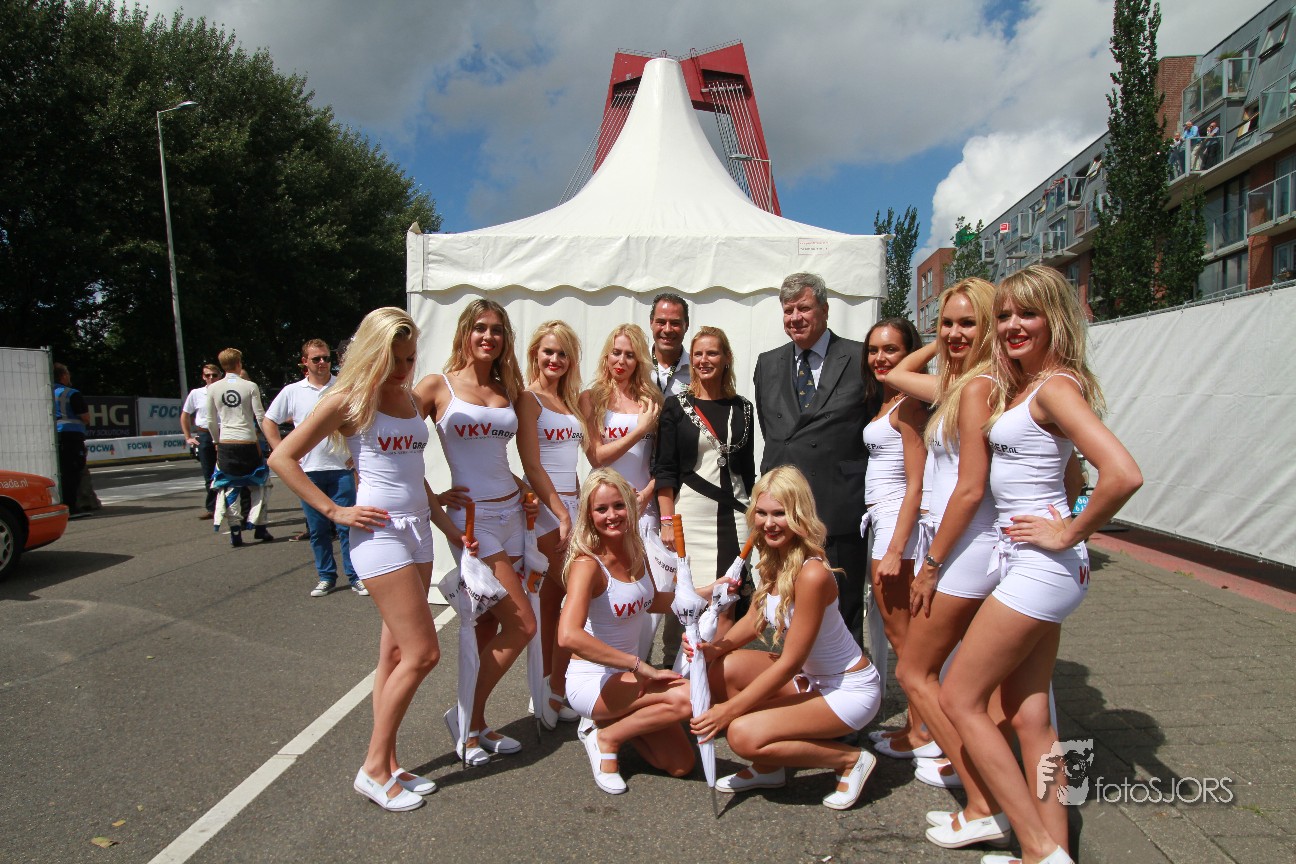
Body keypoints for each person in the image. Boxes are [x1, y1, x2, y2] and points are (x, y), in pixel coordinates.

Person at [941, 266, 1142, 864]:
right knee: (1033, 719)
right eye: (1003, 314)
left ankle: (1035, 847)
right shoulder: (1033, 386)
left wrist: (1070, 529)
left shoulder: (1055, 387)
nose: (1012, 325)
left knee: (959, 697)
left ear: (1055, 318)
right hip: (1036, 565)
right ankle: (1055, 853)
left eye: (1027, 313)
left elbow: (1123, 473)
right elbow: (1068, 473)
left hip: (1041, 566)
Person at [269, 307, 465, 811]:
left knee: (394, 656)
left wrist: (448, 527)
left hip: (419, 531)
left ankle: (391, 763)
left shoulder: (409, 397)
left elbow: (413, 472)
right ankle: (373, 768)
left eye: (410, 358)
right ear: (373, 353)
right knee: (423, 653)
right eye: (394, 359)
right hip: (379, 536)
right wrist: (335, 510)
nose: (403, 369)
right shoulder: (348, 400)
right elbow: (282, 457)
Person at [883, 278, 1014, 845]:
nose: (955, 333)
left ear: (989, 327)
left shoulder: (978, 386)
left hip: (964, 547)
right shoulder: (962, 385)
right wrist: (944, 344)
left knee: (915, 672)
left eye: (968, 323)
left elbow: (970, 488)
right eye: (946, 323)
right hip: (960, 545)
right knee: (950, 679)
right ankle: (984, 792)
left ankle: (984, 801)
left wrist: (932, 563)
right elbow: (894, 374)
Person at [690, 466, 882, 810]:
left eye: (779, 514)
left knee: (741, 735)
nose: (769, 523)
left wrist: (727, 712)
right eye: (762, 513)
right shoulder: (774, 556)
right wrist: (713, 649)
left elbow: (790, 661)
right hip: (810, 678)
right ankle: (769, 767)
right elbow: (755, 619)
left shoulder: (812, 573)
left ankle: (850, 760)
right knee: (724, 667)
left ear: (799, 515)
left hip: (848, 691)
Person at [415, 298, 537, 764]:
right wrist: (433, 499)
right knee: (522, 623)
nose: (489, 336)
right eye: (481, 328)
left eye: (497, 330)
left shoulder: (508, 388)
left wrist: (525, 489)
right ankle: (463, 716)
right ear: (465, 331)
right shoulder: (437, 385)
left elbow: (499, 458)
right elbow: (396, 446)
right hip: (474, 522)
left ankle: (477, 724)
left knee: (490, 624)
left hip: (513, 515)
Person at [559, 468, 695, 794]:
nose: (612, 516)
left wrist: (710, 593)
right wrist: (639, 666)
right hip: (593, 680)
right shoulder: (587, 565)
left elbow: (653, 601)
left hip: (627, 679)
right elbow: (568, 636)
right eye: (601, 509)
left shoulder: (635, 549)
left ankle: (613, 722)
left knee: (680, 764)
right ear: (589, 515)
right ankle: (605, 738)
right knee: (688, 697)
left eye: (619, 505)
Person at [753, 273, 870, 646]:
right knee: (786, 606)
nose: (795, 318)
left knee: (843, 610)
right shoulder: (767, 363)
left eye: (803, 308)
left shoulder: (860, 357)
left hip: (837, 504)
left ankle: (849, 676)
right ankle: (793, 673)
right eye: (788, 311)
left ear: (825, 309)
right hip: (784, 512)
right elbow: (773, 431)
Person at [655, 326, 755, 659]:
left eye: (712, 353)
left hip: (735, 517)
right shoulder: (676, 406)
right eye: (698, 354)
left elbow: (747, 470)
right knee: (689, 598)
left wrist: (755, 515)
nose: (704, 360)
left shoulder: (744, 408)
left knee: (726, 600)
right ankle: (680, 668)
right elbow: (664, 469)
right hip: (690, 517)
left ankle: (716, 670)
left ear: (726, 358)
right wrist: (667, 521)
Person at [858, 318, 930, 760]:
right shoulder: (888, 400)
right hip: (882, 522)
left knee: (904, 639)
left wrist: (896, 548)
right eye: (874, 350)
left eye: (891, 349)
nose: (880, 358)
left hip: (896, 524)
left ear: (909, 352)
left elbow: (917, 484)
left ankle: (922, 731)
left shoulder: (911, 404)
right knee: (899, 633)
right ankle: (917, 725)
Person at [516, 320, 584, 727]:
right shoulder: (528, 399)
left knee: (558, 602)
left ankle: (549, 689)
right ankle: (550, 690)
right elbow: (532, 464)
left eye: (562, 353)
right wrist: (560, 512)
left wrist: (577, 507)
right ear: (535, 355)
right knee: (566, 596)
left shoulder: (567, 401)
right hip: (546, 511)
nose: (555, 359)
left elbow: (569, 462)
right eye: (548, 352)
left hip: (570, 507)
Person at [263, 339, 364, 597]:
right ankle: (326, 576)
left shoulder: (344, 387)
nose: (322, 363)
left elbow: (362, 421)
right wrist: (281, 450)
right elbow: (269, 421)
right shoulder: (292, 391)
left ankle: (355, 576)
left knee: (348, 527)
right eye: (316, 359)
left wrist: (357, 454)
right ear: (304, 362)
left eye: (326, 358)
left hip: (341, 469)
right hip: (308, 472)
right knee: (318, 529)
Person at [578, 324, 663, 526]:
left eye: (630, 355)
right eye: (616, 352)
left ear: (639, 361)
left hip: (641, 503)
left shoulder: (652, 401)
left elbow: (665, 462)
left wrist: (647, 493)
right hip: (602, 504)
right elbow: (597, 458)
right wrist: (639, 431)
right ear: (606, 356)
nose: (621, 361)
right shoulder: (590, 398)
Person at [206, 348, 274, 546]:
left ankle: (235, 530)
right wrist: (269, 439)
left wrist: (216, 441)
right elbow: (260, 416)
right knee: (260, 484)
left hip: (226, 442)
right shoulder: (250, 386)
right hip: (248, 441)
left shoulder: (213, 388)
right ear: (239, 363)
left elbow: (210, 420)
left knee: (229, 486)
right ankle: (260, 526)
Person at [181, 363, 223, 518]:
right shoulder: (196, 393)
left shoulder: (224, 391)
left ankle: (227, 505)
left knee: (226, 471)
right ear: (203, 377)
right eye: (207, 375)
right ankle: (212, 508)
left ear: (220, 376)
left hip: (223, 433)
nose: (211, 378)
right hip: (205, 434)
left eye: (214, 375)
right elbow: (185, 415)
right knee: (209, 473)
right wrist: (188, 437)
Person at [53, 362, 90, 515]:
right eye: (68, 374)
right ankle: (71, 507)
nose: (69, 377)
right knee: (73, 471)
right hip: (71, 436)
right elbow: (85, 417)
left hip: (52, 436)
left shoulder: (45, 392)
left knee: (59, 471)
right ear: (63, 376)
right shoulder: (71, 393)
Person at [648, 292, 691, 396]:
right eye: (661, 322)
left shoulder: (697, 370)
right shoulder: (636, 365)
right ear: (651, 323)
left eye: (675, 323)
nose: (667, 330)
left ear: (686, 326)